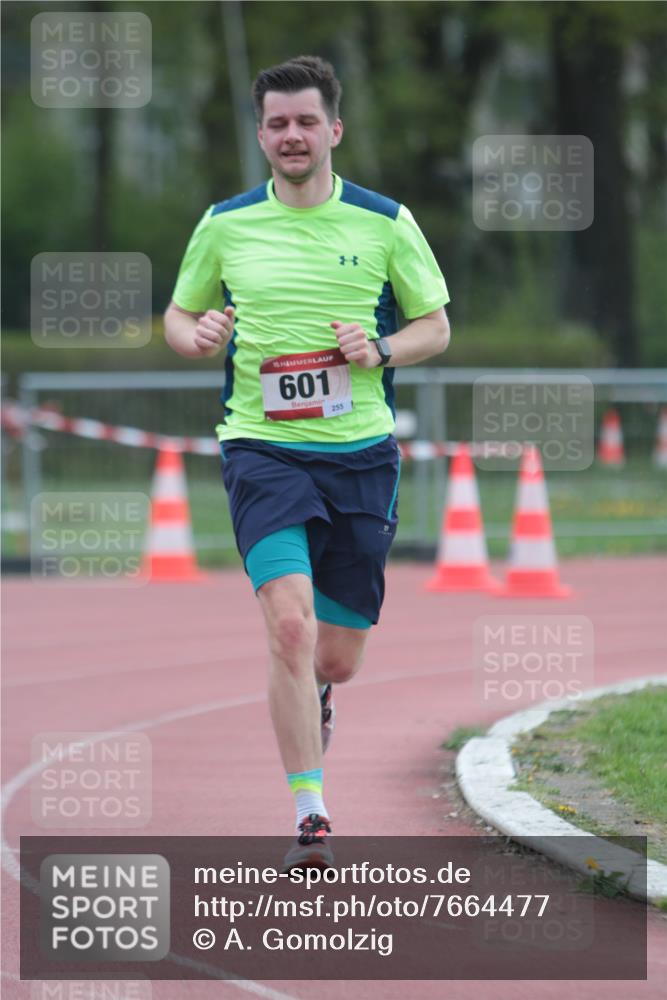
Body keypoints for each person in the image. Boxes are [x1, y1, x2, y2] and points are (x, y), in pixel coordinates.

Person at [164, 55, 450, 869]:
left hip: (360, 454)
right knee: (288, 625)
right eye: (277, 123)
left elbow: (435, 326)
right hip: (261, 449)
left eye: (305, 121)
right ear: (261, 135)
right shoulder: (224, 224)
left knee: (334, 656)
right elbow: (180, 318)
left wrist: (382, 346)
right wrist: (199, 337)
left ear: (334, 129)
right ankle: (311, 813)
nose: (292, 135)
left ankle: (319, 693)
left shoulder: (384, 221)